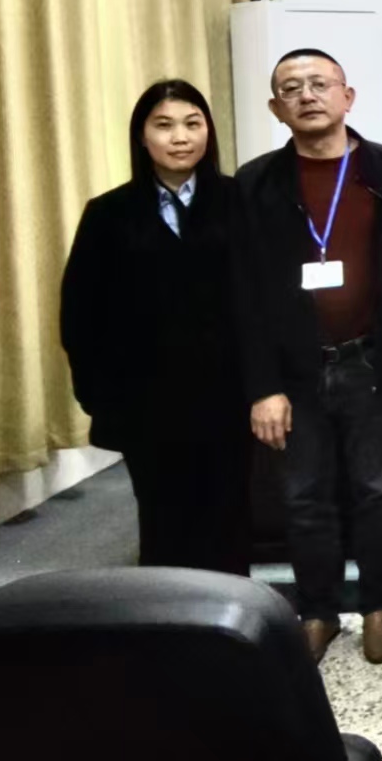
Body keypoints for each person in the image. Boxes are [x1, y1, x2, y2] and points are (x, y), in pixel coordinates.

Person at [236, 49, 382, 664]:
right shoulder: (256, 182)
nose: (307, 95)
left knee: (378, 490)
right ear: (275, 108)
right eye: (291, 88)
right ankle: (317, 611)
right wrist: (263, 386)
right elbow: (245, 293)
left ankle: (379, 606)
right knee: (303, 496)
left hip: (372, 361)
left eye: (320, 83)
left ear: (348, 96)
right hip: (295, 370)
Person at [60, 79, 253, 575]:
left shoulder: (240, 202)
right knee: (163, 521)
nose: (180, 137)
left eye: (192, 123)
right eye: (164, 125)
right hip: (147, 404)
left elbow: (264, 300)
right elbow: (80, 313)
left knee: (228, 519)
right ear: (142, 137)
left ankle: (233, 617)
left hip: (228, 397)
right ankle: (167, 617)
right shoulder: (108, 214)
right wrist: (99, 396)